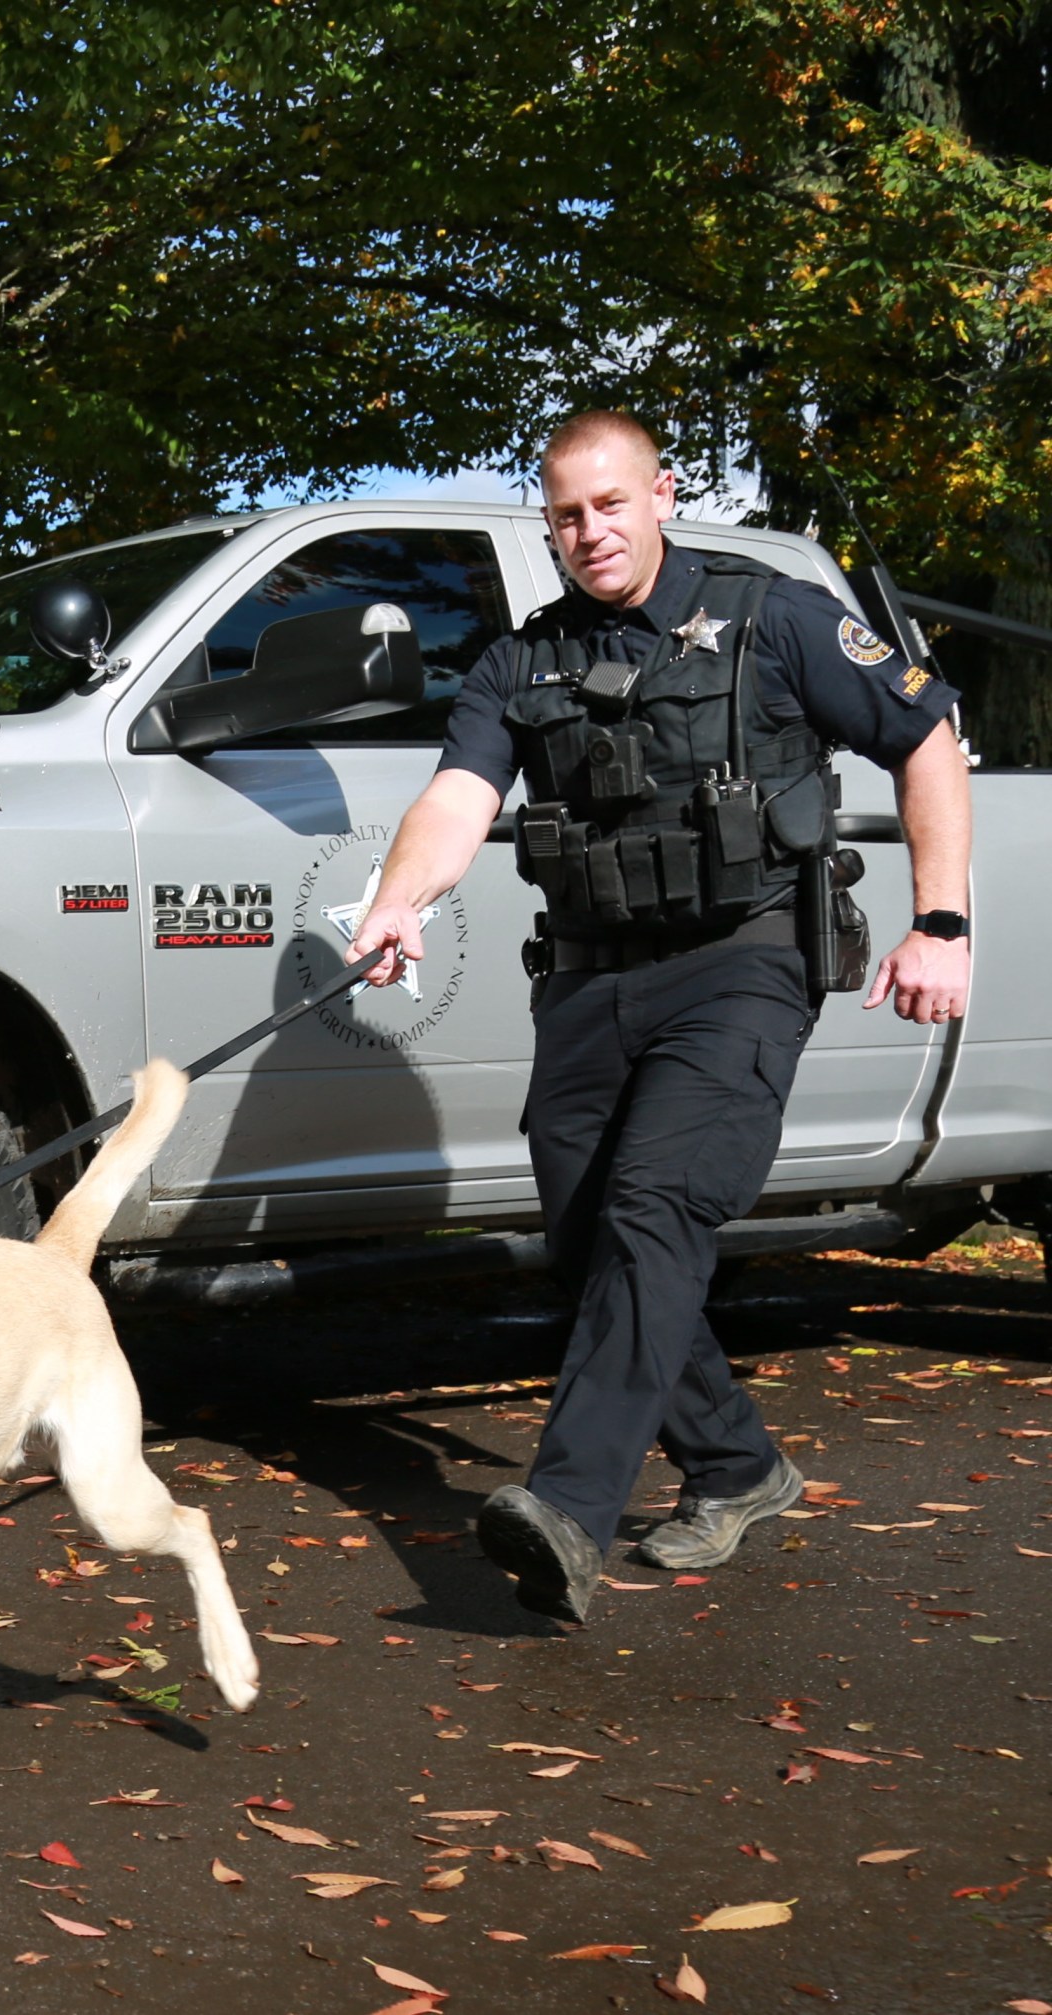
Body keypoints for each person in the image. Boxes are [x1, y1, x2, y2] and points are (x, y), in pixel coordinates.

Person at [345, 411, 974, 1622]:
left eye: (612, 504)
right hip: (587, 977)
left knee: (656, 1205)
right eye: (568, 514)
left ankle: (568, 1511)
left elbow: (926, 733)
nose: (592, 532)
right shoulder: (520, 662)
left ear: (663, 494)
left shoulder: (771, 615)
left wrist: (939, 920)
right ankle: (740, 1465)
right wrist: (395, 903)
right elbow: (457, 795)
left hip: (742, 960)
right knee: (597, 1239)